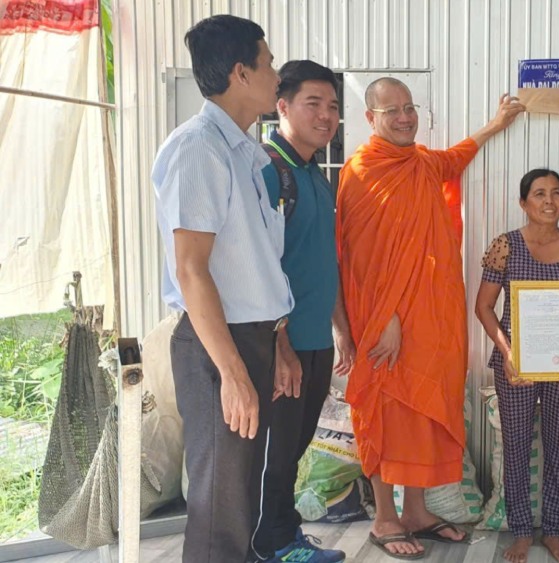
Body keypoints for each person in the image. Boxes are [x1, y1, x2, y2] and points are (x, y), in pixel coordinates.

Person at [336, 77, 524, 560]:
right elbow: (359, 259)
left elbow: (457, 155)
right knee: (383, 409)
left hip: (430, 319)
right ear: (370, 119)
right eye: (392, 110)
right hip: (385, 320)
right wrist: (388, 318)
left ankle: (416, 512)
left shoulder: (421, 163)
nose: (404, 117)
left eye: (409, 107)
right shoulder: (361, 172)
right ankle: (384, 515)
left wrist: (498, 124)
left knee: (417, 412)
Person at [151, 15, 291, 562]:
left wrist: (273, 341)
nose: (276, 72)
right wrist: (232, 374)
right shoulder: (199, 149)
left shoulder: (244, 151)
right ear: (241, 73)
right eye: (269, 61)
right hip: (216, 346)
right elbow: (192, 271)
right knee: (220, 506)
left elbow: (252, 267)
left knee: (240, 497)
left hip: (247, 336)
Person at [475, 169, 559, 563]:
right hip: (515, 365)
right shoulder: (506, 246)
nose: (549, 201)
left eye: (556, 193)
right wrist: (509, 351)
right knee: (514, 446)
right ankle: (519, 532)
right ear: (523, 202)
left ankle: (552, 531)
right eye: (538, 194)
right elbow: (483, 307)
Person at [251, 60, 351, 563]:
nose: (326, 115)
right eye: (313, 103)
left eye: (332, 106)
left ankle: (282, 535)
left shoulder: (314, 174)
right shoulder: (269, 170)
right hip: (282, 345)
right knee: (275, 452)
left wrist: (341, 331)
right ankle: (269, 544)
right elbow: (257, 266)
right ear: (282, 105)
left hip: (313, 339)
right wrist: (280, 345)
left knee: (292, 449)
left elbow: (321, 260)